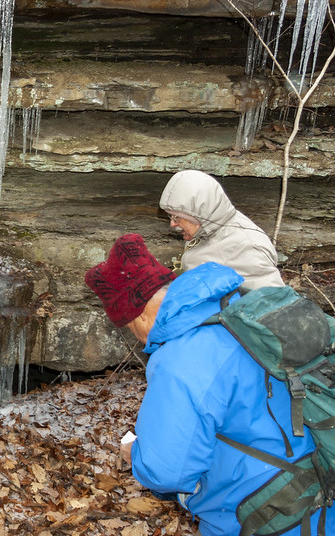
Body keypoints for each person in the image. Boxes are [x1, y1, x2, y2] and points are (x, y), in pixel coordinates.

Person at [85, 233, 333, 536]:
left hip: (261, 513)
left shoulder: (180, 358)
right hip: (318, 481)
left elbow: (166, 471)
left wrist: (134, 454)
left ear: (138, 316)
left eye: (128, 327)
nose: (136, 337)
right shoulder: (240, 310)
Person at [159, 169, 284, 289]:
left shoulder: (246, 247)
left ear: (198, 214)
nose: (172, 224)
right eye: (170, 216)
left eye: (177, 218)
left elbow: (273, 302)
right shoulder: (209, 228)